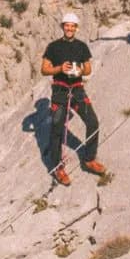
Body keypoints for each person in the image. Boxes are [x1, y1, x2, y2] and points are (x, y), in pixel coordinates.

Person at [41, 13, 106, 186]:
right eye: (67, 26)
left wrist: (80, 72)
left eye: (72, 26)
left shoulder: (82, 46)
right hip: (60, 91)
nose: (69, 29)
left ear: (76, 28)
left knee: (93, 122)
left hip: (77, 90)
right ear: (63, 26)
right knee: (57, 130)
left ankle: (89, 158)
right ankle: (57, 167)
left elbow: (88, 68)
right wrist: (59, 68)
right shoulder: (53, 47)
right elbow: (44, 69)